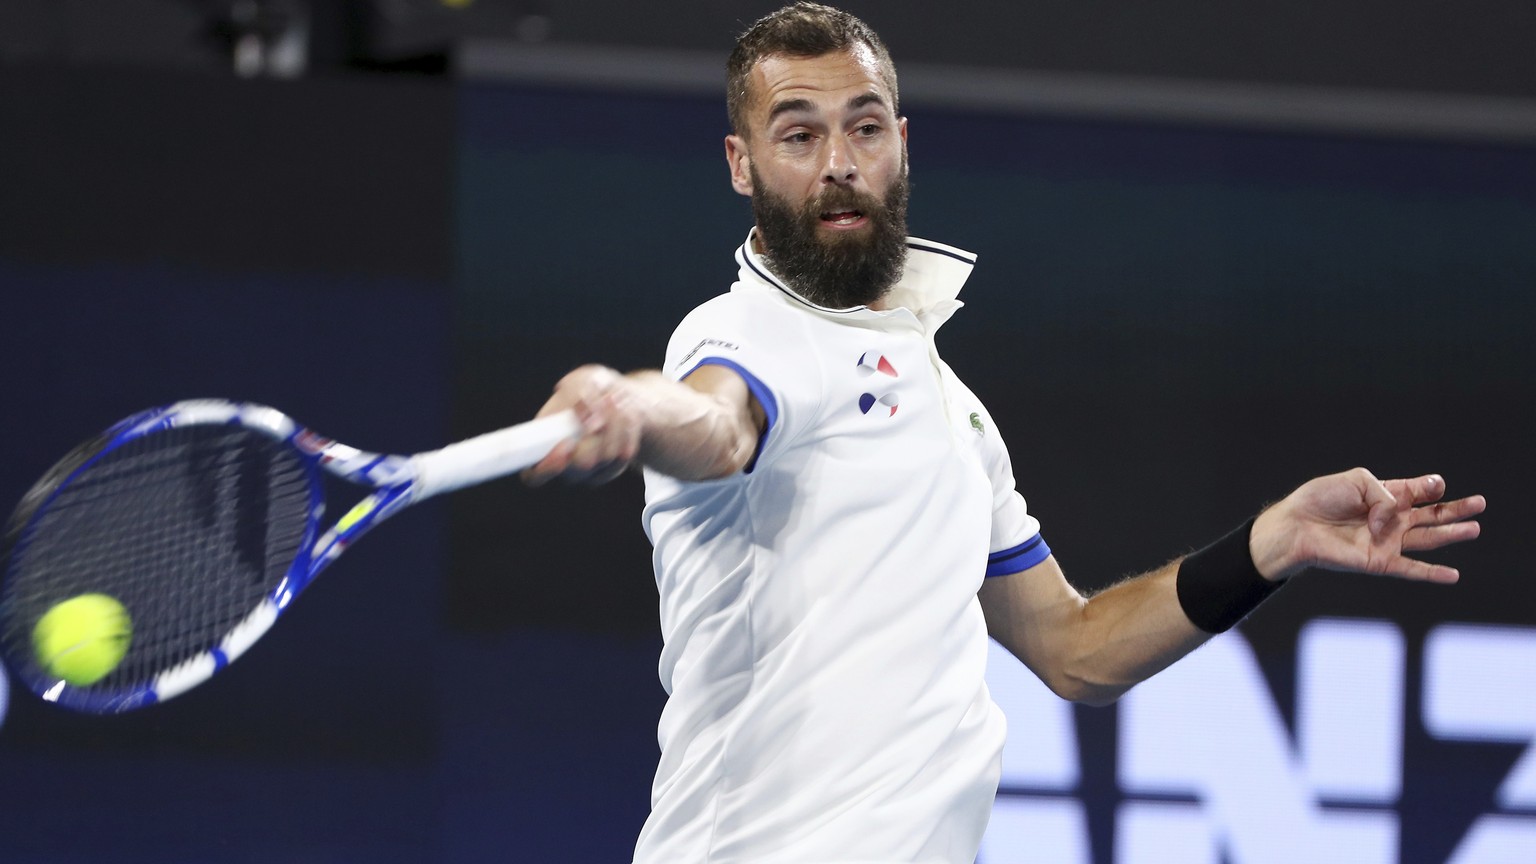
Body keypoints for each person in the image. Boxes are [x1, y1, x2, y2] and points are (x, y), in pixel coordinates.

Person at [523, 4, 1487, 862]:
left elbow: (1075, 650)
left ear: (901, 142)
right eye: (798, 135)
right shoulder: (749, 331)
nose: (839, 165)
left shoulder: (948, 404)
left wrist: (1271, 545)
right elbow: (716, 419)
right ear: (741, 165)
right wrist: (625, 403)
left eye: (863, 129)